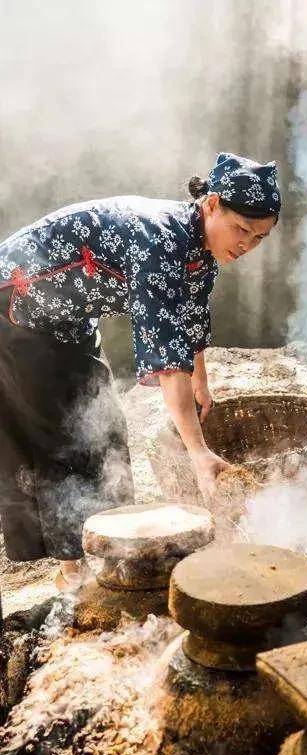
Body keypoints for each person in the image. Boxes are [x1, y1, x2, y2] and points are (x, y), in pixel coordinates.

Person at [0, 152, 281, 588]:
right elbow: (168, 360)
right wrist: (198, 452)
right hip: (18, 310)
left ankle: (109, 550)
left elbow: (190, 316)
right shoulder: (160, 241)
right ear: (210, 205)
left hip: (71, 318)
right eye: (242, 228)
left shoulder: (200, 247)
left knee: (104, 430)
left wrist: (201, 381)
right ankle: (71, 573)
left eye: (260, 237)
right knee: (56, 436)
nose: (247, 244)